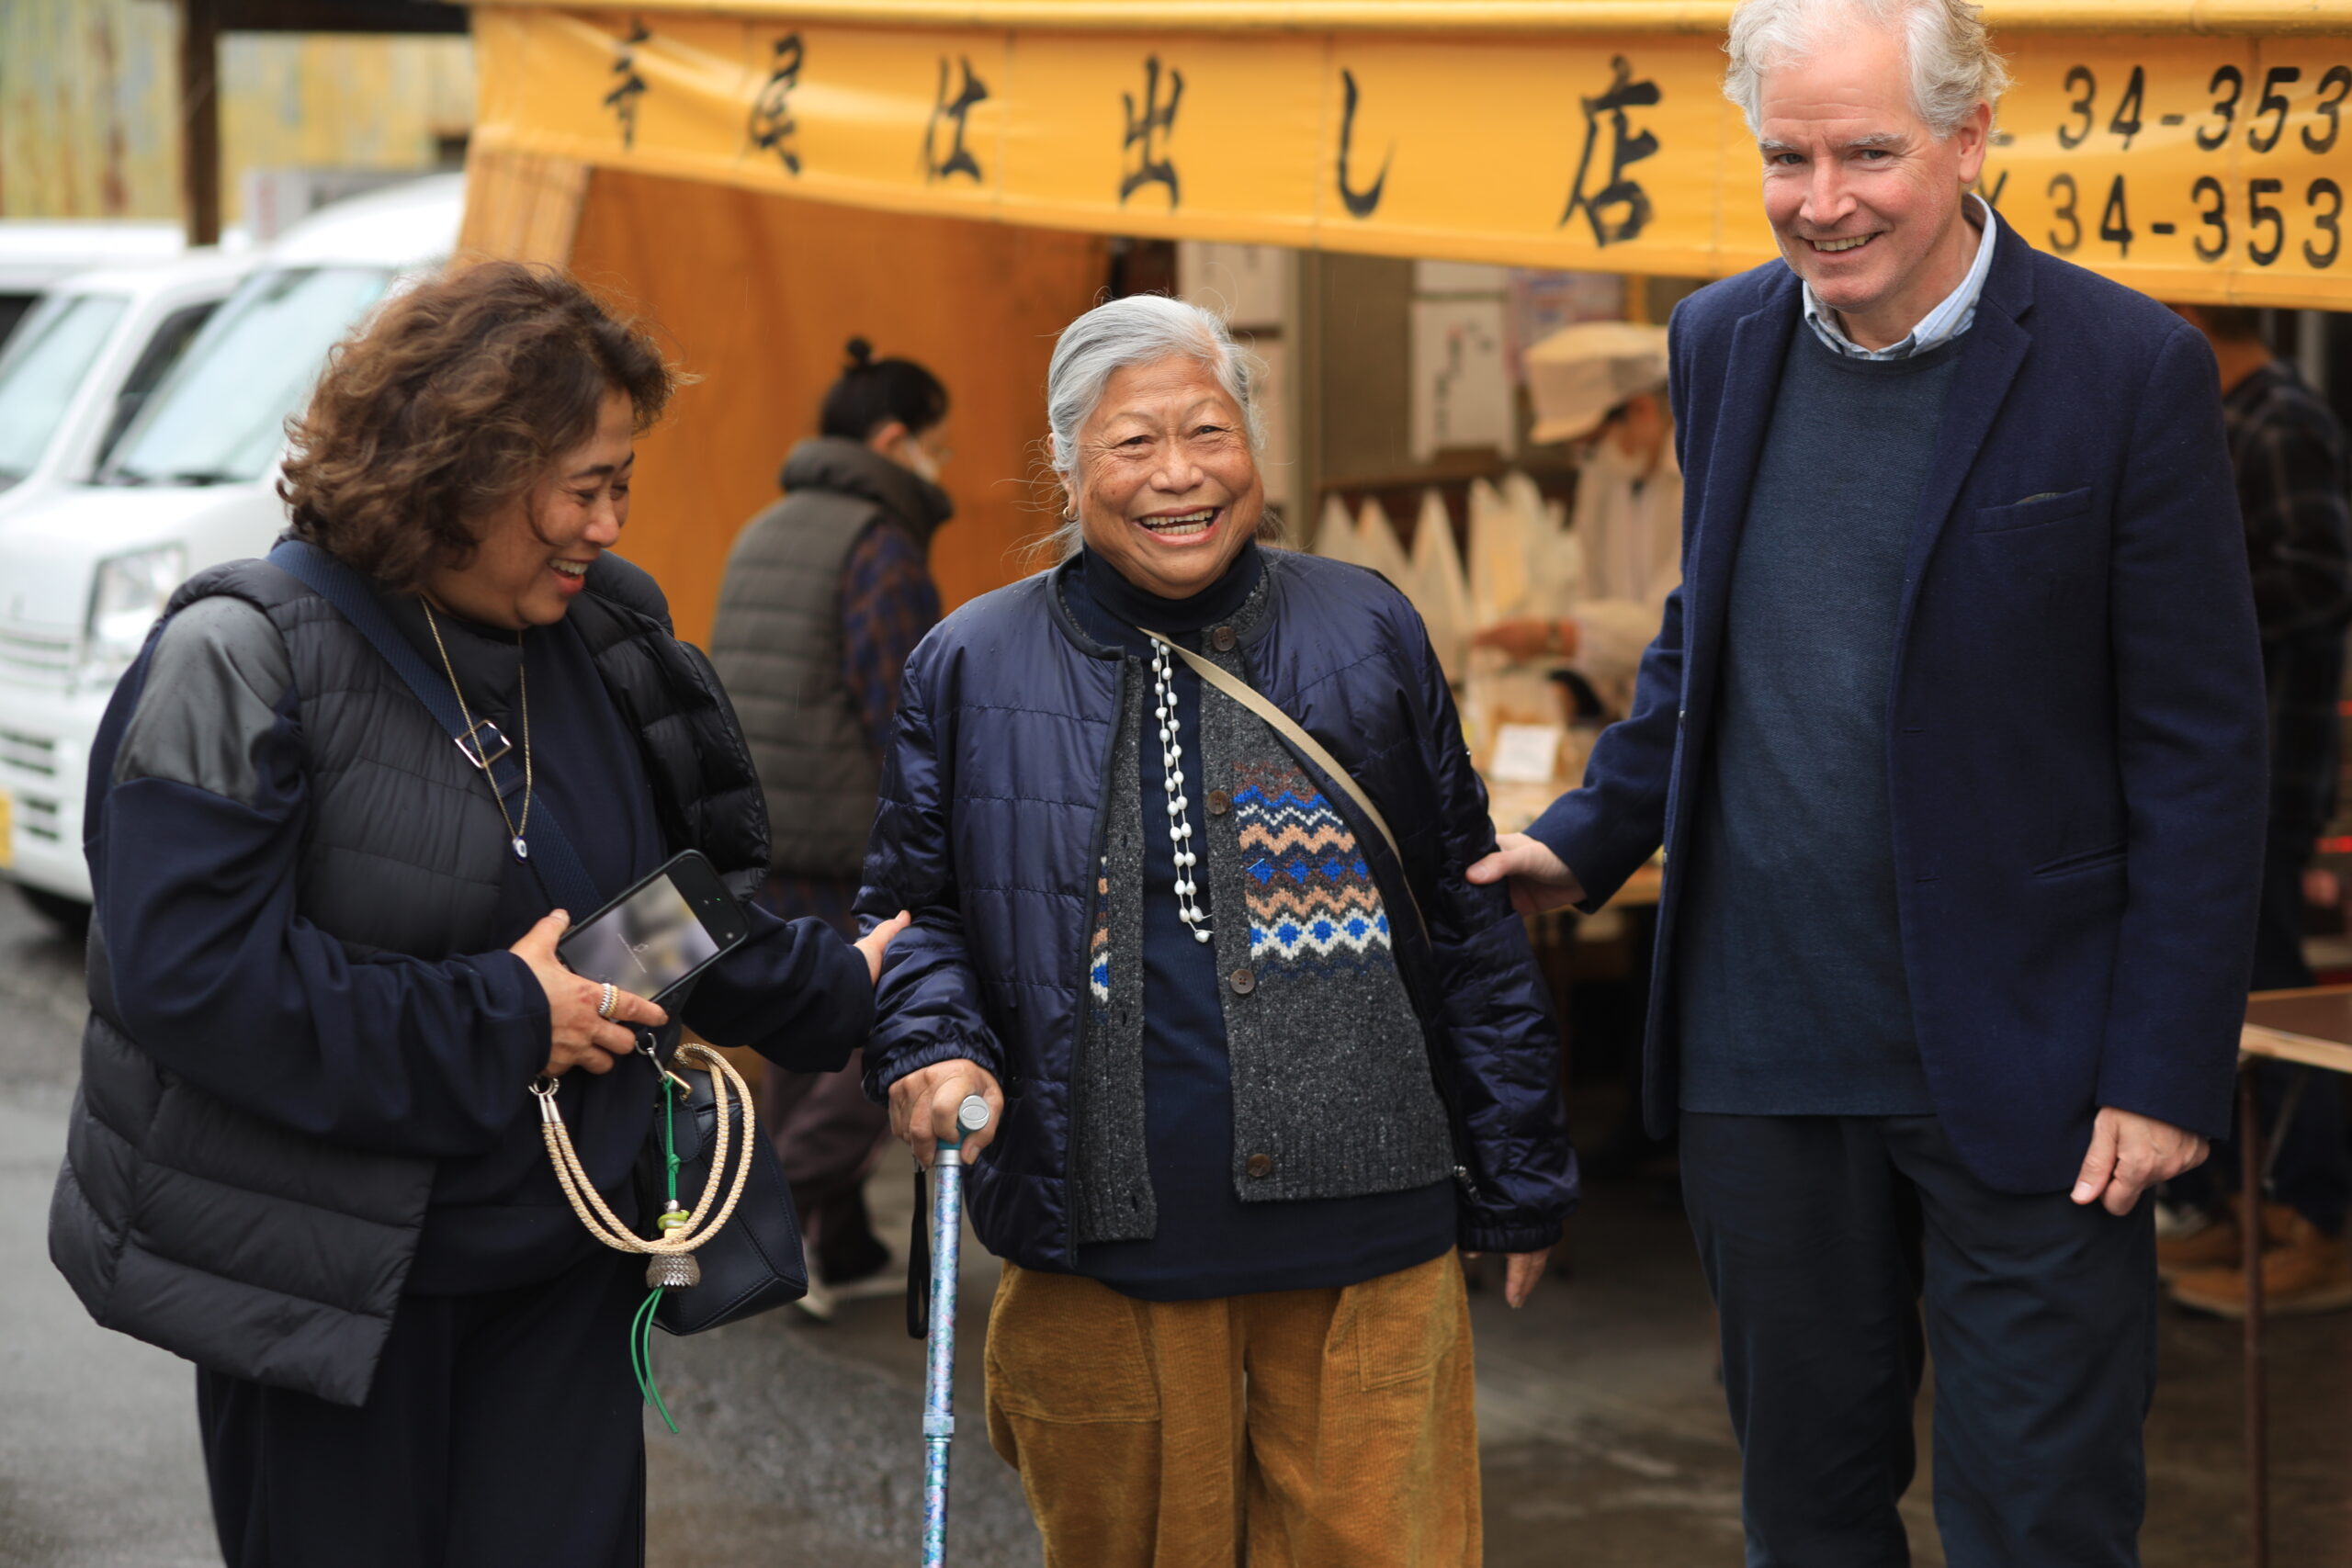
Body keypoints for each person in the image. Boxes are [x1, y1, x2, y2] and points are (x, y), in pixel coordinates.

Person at [1467, 0, 2267, 1560]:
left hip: (2040, 1067)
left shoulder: (2128, 367)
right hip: (1764, 1052)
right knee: (1806, 1515)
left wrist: (2168, 1070)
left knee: (2040, 1515)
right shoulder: (1719, 340)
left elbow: (2202, 745)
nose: (1821, 197)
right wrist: (1582, 841)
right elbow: (1708, 645)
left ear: (1971, 141)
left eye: (1867, 153)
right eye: (1787, 155)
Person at [48, 262, 903, 1568]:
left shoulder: (602, 632)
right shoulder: (236, 657)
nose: (610, 522)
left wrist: (840, 984)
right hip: (331, 1291)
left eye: (622, 481)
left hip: (562, 1268)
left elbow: (636, 921)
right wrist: (506, 1014)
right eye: (584, 484)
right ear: (458, 469)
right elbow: (193, 982)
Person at [858, 294, 1574, 1568]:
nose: (1179, 473)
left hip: (1371, 1224)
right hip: (1106, 1229)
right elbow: (920, 919)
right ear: (1068, 469)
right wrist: (934, 1044)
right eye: (1134, 443)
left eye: (1208, 429)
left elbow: (1462, 908)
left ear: (1254, 442)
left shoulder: (1365, 624)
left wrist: (1517, 1173)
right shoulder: (970, 660)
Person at [710, 338, 954, 1307]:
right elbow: (904, 713)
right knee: (862, 1057)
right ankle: (742, 1224)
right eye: (938, 443)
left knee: (794, 1046)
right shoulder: (879, 545)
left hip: (765, 831)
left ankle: (830, 1246)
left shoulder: (766, 526)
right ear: (894, 439)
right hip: (851, 837)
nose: (946, 466)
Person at [2159, 303, 2352, 1317]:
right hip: (2212, 764)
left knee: (2276, 1000)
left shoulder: (2278, 416)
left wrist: (2189, 603)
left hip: (2271, 761)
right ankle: (2244, 1210)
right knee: (2220, 991)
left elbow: (2322, 579)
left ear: (2191, 313)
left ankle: (2317, 1221)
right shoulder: (2217, 412)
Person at [1476, 321, 1682, 714]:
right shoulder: (1605, 478)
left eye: (1589, 446)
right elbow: (1593, 592)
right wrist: (1567, 691)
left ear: (1639, 409)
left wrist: (1559, 637)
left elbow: (1677, 625)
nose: (1586, 461)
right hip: (1637, 714)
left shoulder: (1702, 477)